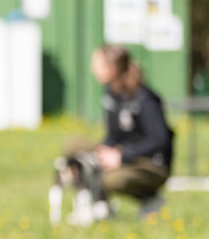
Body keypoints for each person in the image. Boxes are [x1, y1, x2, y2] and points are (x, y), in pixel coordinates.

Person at [69, 44, 174, 219]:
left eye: (97, 64)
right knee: (73, 145)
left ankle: (150, 199)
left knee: (110, 179)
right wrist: (105, 150)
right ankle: (97, 203)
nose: (92, 69)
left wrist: (121, 155)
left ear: (111, 69)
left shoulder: (145, 99)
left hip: (150, 164)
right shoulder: (111, 95)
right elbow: (113, 134)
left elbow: (159, 139)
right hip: (122, 155)